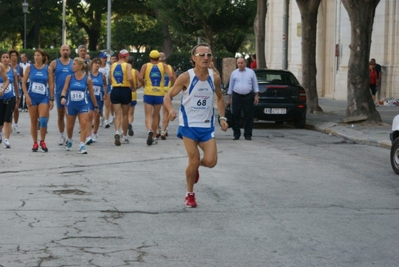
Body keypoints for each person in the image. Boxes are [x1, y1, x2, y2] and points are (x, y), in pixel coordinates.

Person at [163, 43, 229, 208]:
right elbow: (168, 96)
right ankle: (190, 194)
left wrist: (222, 117)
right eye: (202, 55)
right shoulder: (186, 77)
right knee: (193, 159)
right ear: (194, 58)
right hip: (189, 126)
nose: (206, 58)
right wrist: (170, 110)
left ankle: (195, 168)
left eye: (208, 55)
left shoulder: (214, 77)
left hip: (206, 127)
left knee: (211, 161)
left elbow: (220, 98)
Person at [60, 57, 98, 154]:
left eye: (74, 64)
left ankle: (82, 144)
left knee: (84, 123)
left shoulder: (87, 79)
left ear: (80, 66)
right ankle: (69, 140)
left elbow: (92, 94)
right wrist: (63, 97)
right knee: (69, 125)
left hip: (83, 104)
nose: (72, 66)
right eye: (72, 64)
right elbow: (64, 89)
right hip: (71, 104)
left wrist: (96, 106)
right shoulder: (69, 77)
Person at [138, 50, 174, 146]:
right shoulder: (163, 66)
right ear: (158, 58)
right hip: (159, 93)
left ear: (150, 58)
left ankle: (149, 130)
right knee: (155, 115)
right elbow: (171, 75)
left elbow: (140, 77)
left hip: (148, 93)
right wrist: (173, 85)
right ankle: (154, 136)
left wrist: (144, 83)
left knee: (148, 115)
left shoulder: (145, 66)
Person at [22, 49, 55, 152]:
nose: (36, 57)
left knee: (43, 120)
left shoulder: (47, 69)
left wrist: (51, 99)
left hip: (43, 97)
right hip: (32, 97)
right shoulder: (29, 68)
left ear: (43, 57)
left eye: (38, 55)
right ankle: (35, 143)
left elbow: (51, 84)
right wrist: (26, 96)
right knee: (33, 121)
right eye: (35, 55)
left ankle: (43, 141)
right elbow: (23, 83)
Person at [227, 57, 259, 140]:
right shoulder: (234, 73)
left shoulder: (251, 72)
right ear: (237, 64)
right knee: (236, 115)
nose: (240, 64)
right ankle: (236, 134)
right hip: (236, 96)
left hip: (248, 96)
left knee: (248, 116)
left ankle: (248, 134)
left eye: (242, 63)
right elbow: (231, 85)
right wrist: (229, 98)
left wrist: (256, 95)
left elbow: (255, 84)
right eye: (239, 63)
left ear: (245, 63)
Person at [49, 44, 74, 145]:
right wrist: (50, 95)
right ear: (60, 51)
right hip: (59, 93)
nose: (65, 52)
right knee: (60, 115)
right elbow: (49, 79)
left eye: (67, 50)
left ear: (70, 51)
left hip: (71, 93)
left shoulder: (73, 63)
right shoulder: (54, 63)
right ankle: (62, 135)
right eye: (63, 50)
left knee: (69, 115)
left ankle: (69, 137)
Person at [109, 49, 135, 146]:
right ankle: (124, 136)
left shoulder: (113, 65)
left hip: (115, 89)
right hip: (125, 89)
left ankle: (116, 132)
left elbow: (110, 79)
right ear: (126, 56)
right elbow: (129, 78)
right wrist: (132, 86)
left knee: (117, 114)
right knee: (125, 114)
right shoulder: (127, 65)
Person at [158, 52, 176, 140]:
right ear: (165, 59)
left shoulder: (152, 67)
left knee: (155, 113)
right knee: (166, 112)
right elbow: (174, 79)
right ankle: (163, 131)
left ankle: (157, 129)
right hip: (167, 92)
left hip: (156, 92)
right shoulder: (169, 67)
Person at [89, 58, 107, 142]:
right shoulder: (88, 75)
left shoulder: (102, 75)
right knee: (89, 115)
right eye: (95, 63)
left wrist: (105, 94)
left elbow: (105, 85)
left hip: (99, 98)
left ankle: (95, 132)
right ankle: (88, 134)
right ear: (92, 64)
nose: (97, 65)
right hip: (89, 97)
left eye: (99, 63)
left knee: (97, 116)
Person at [0, 53, 16, 148]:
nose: (5, 59)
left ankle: (7, 140)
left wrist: (18, 96)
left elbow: (8, 81)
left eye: (7, 57)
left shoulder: (11, 71)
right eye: (3, 57)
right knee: (0, 119)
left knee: (7, 118)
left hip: (10, 96)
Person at [8, 50, 23, 134]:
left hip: (17, 89)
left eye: (15, 55)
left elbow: (23, 78)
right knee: (9, 108)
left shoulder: (19, 67)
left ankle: (16, 124)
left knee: (16, 108)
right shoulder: (6, 66)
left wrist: (20, 78)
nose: (13, 57)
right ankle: (9, 124)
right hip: (9, 89)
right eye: (12, 55)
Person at [127, 56, 141, 137]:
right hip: (133, 93)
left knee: (123, 113)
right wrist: (135, 88)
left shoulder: (124, 70)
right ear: (132, 63)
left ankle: (124, 128)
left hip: (124, 91)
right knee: (131, 113)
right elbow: (140, 82)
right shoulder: (135, 71)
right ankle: (129, 123)